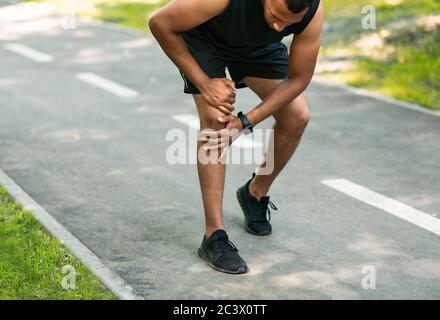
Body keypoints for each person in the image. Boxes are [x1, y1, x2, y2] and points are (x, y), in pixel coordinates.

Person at [149, 0, 324, 274]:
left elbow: (299, 78)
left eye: (287, 24)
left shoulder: (312, 11)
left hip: (256, 47)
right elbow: (160, 23)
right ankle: (213, 236)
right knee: (216, 122)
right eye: (274, 16)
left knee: (297, 117)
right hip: (204, 38)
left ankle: (255, 193)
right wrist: (205, 85)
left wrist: (244, 122)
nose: (279, 27)